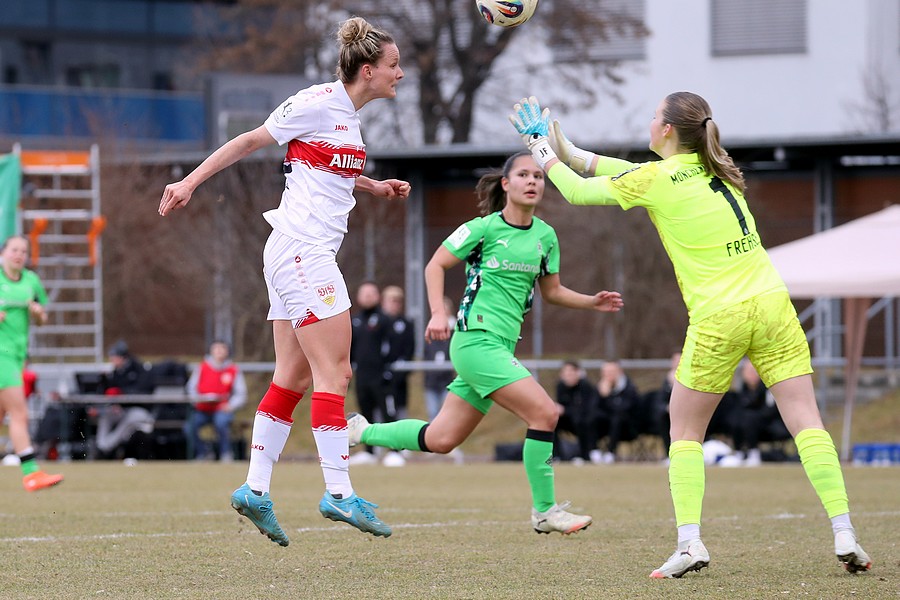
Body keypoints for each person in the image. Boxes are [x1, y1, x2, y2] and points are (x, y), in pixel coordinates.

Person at [510, 94, 872, 575]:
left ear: (666, 130)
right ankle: (845, 532)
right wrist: (563, 146)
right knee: (807, 421)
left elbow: (577, 192)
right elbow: (598, 166)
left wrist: (537, 146)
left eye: (653, 115)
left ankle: (689, 544)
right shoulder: (714, 168)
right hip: (774, 305)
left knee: (683, 431)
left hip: (721, 316)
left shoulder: (657, 179)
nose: (649, 121)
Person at [158, 16, 408, 545]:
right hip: (303, 252)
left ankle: (255, 489)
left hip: (296, 254)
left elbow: (325, 169)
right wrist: (189, 182)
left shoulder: (349, 119)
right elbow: (250, 140)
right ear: (367, 70)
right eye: (394, 65)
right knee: (336, 372)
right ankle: (339, 492)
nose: (400, 74)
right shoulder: (316, 101)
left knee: (292, 378)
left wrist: (373, 186)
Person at [346, 151, 624, 535]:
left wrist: (591, 301)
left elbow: (553, 291)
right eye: (523, 175)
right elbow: (435, 264)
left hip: (500, 348)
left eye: (538, 176)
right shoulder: (484, 228)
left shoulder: (546, 236)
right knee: (545, 413)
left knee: (441, 439)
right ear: (506, 184)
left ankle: (361, 431)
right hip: (475, 342)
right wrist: (437, 313)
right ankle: (545, 511)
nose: (533, 181)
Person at [0, 235, 63, 491]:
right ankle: (31, 473)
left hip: (17, 356)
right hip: (1, 355)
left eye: (23, 251)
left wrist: (37, 314)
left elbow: (42, 319)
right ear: (3, 253)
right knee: (19, 413)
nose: (19, 255)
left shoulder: (31, 281)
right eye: (14, 250)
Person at [349, 281, 392, 464]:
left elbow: (392, 348)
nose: (367, 297)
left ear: (378, 296)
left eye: (371, 293)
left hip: (381, 376)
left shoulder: (385, 320)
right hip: (362, 376)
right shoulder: (355, 321)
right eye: (364, 293)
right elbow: (350, 349)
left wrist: (389, 372)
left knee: (387, 414)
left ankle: (393, 451)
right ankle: (370, 451)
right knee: (365, 413)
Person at [184, 340, 247, 461]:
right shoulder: (202, 367)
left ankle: (225, 453)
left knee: (221, 423)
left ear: (227, 351)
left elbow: (241, 394)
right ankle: (203, 452)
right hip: (202, 409)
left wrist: (231, 405)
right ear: (211, 351)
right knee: (189, 427)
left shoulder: (233, 369)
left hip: (222, 409)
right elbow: (191, 389)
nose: (219, 351)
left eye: (222, 348)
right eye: (216, 348)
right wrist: (198, 400)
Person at [94, 341, 156, 460]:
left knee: (128, 420)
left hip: (141, 410)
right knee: (106, 415)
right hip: (123, 409)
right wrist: (104, 380)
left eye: (114, 357)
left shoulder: (139, 369)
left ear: (122, 357)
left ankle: (105, 448)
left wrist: (123, 393)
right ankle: (100, 446)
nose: (112, 360)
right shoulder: (115, 372)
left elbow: (143, 392)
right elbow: (109, 392)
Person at [553, 360, 601, 463]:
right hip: (568, 420)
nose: (568, 376)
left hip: (585, 421)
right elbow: (561, 406)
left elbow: (586, 409)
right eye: (565, 373)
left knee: (580, 420)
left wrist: (565, 410)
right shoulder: (560, 386)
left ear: (578, 373)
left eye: (571, 373)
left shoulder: (585, 386)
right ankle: (557, 456)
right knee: (552, 421)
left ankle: (585, 455)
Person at [595, 360, 641, 463]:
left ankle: (610, 453)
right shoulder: (599, 388)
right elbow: (594, 408)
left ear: (620, 372)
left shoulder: (629, 388)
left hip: (628, 428)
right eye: (606, 372)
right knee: (592, 418)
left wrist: (607, 396)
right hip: (605, 427)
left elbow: (623, 409)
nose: (608, 375)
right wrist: (601, 395)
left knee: (617, 419)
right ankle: (593, 451)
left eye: (612, 371)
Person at [381, 285, 415, 420]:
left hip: (399, 378)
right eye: (392, 300)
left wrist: (400, 371)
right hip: (379, 377)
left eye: (398, 301)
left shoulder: (405, 324)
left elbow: (409, 348)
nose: (395, 305)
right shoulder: (376, 323)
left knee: (400, 410)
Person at [422, 295, 457, 421]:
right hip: (431, 381)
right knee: (433, 413)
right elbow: (426, 354)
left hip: (448, 380)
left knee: (447, 415)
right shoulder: (430, 332)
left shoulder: (455, 332)